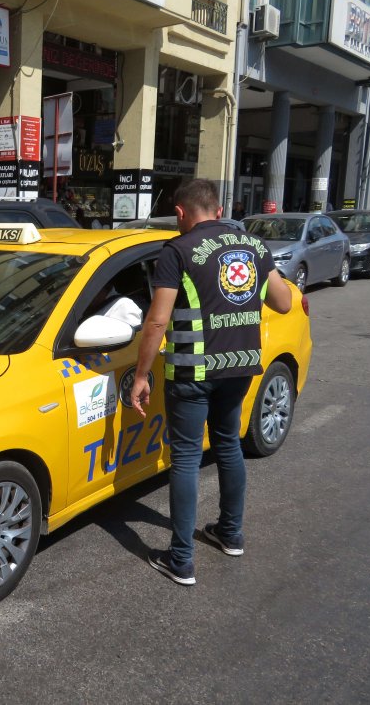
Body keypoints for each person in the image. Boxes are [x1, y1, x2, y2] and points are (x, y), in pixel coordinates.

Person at [128, 178, 292, 586]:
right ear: (219, 211)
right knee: (228, 445)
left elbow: (157, 320)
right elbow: (284, 302)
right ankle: (230, 533)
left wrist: (142, 375)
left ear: (181, 213)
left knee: (185, 459)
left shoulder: (177, 251)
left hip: (192, 372)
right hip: (239, 366)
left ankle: (181, 559)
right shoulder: (253, 247)